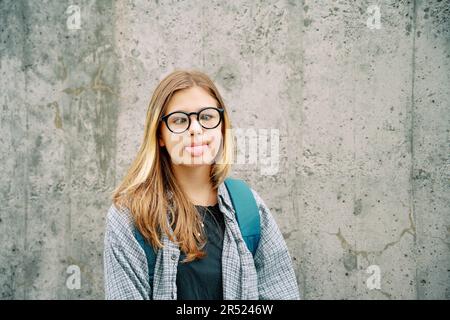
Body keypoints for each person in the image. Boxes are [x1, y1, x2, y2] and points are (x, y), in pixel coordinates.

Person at [103, 69, 300, 300]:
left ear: (221, 125)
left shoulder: (248, 208)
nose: (195, 129)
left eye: (206, 117)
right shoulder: (131, 216)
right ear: (159, 135)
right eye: (179, 120)